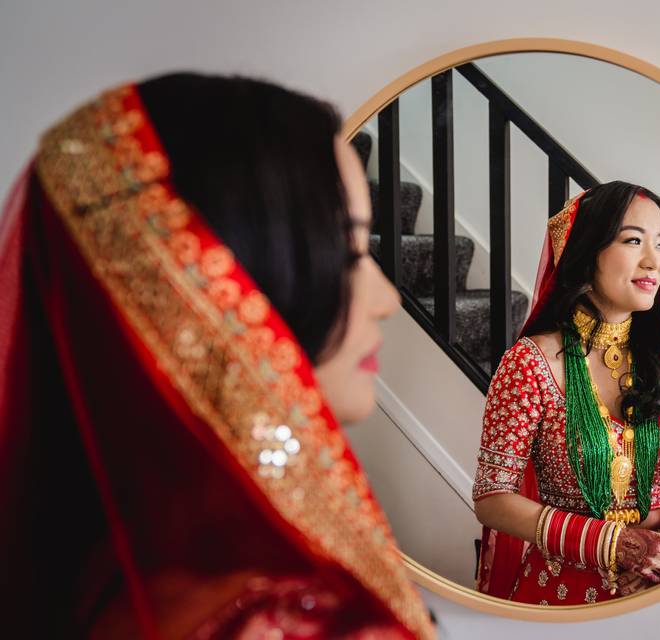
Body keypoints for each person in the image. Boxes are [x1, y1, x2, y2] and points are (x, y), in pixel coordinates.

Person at [0, 74, 434, 638]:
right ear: (209, 288)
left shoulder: (101, 577)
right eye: (348, 253)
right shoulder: (301, 622)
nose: (388, 299)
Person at [471, 181, 660, 605]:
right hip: (562, 596)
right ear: (587, 252)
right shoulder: (530, 364)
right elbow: (492, 499)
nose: (653, 262)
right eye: (633, 241)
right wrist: (614, 542)